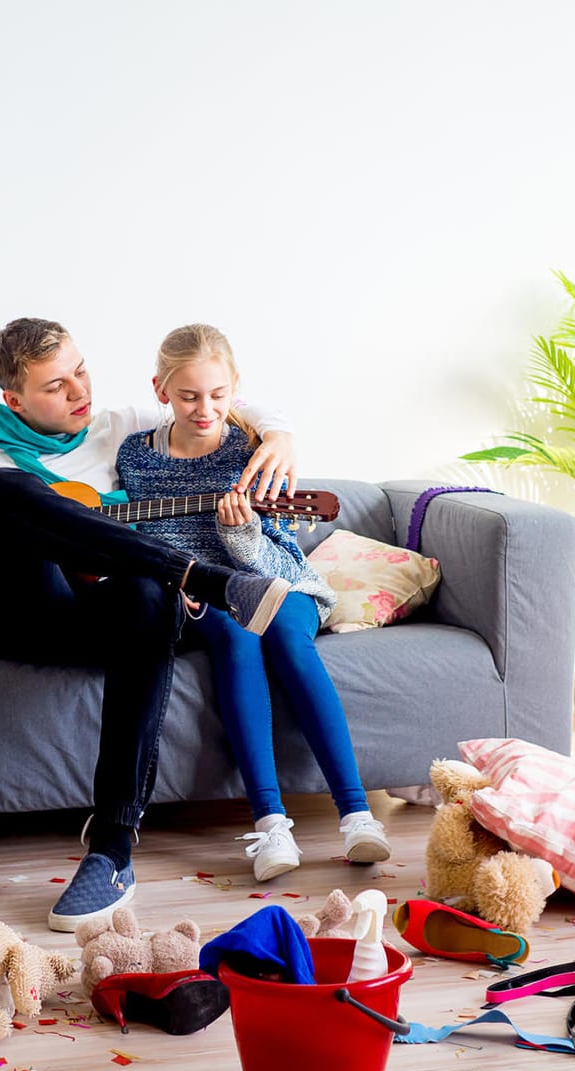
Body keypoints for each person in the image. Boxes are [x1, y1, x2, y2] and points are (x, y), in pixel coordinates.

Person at [0, 317, 300, 930]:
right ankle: (202, 578)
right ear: (14, 400)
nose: (79, 392)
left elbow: (217, 390)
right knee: (5, 486)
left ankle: (112, 848)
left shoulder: (118, 425)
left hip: (103, 619)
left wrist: (281, 434)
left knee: (146, 590)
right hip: (20, 614)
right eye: (55, 386)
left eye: (81, 371)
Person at [114, 324, 392, 882]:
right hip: (196, 590)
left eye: (217, 396)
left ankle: (359, 815)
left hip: (270, 573)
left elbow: (272, 549)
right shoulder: (135, 457)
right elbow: (143, 541)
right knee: (237, 636)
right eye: (189, 396)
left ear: (235, 388)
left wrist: (239, 537)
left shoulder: (254, 449)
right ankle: (270, 825)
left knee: (287, 638)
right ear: (160, 390)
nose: (204, 409)